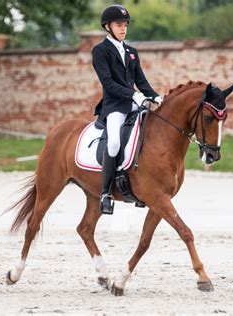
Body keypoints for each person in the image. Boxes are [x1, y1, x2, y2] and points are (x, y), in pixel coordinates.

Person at [92, 4, 162, 215]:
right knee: (114, 141)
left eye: (125, 25)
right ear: (107, 26)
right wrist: (133, 95)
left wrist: (156, 96)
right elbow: (108, 82)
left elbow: (141, 81)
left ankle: (140, 188)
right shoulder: (100, 51)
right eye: (118, 25)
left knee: (148, 136)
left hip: (134, 104)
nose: (123, 29)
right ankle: (106, 193)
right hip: (114, 106)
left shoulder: (131, 52)